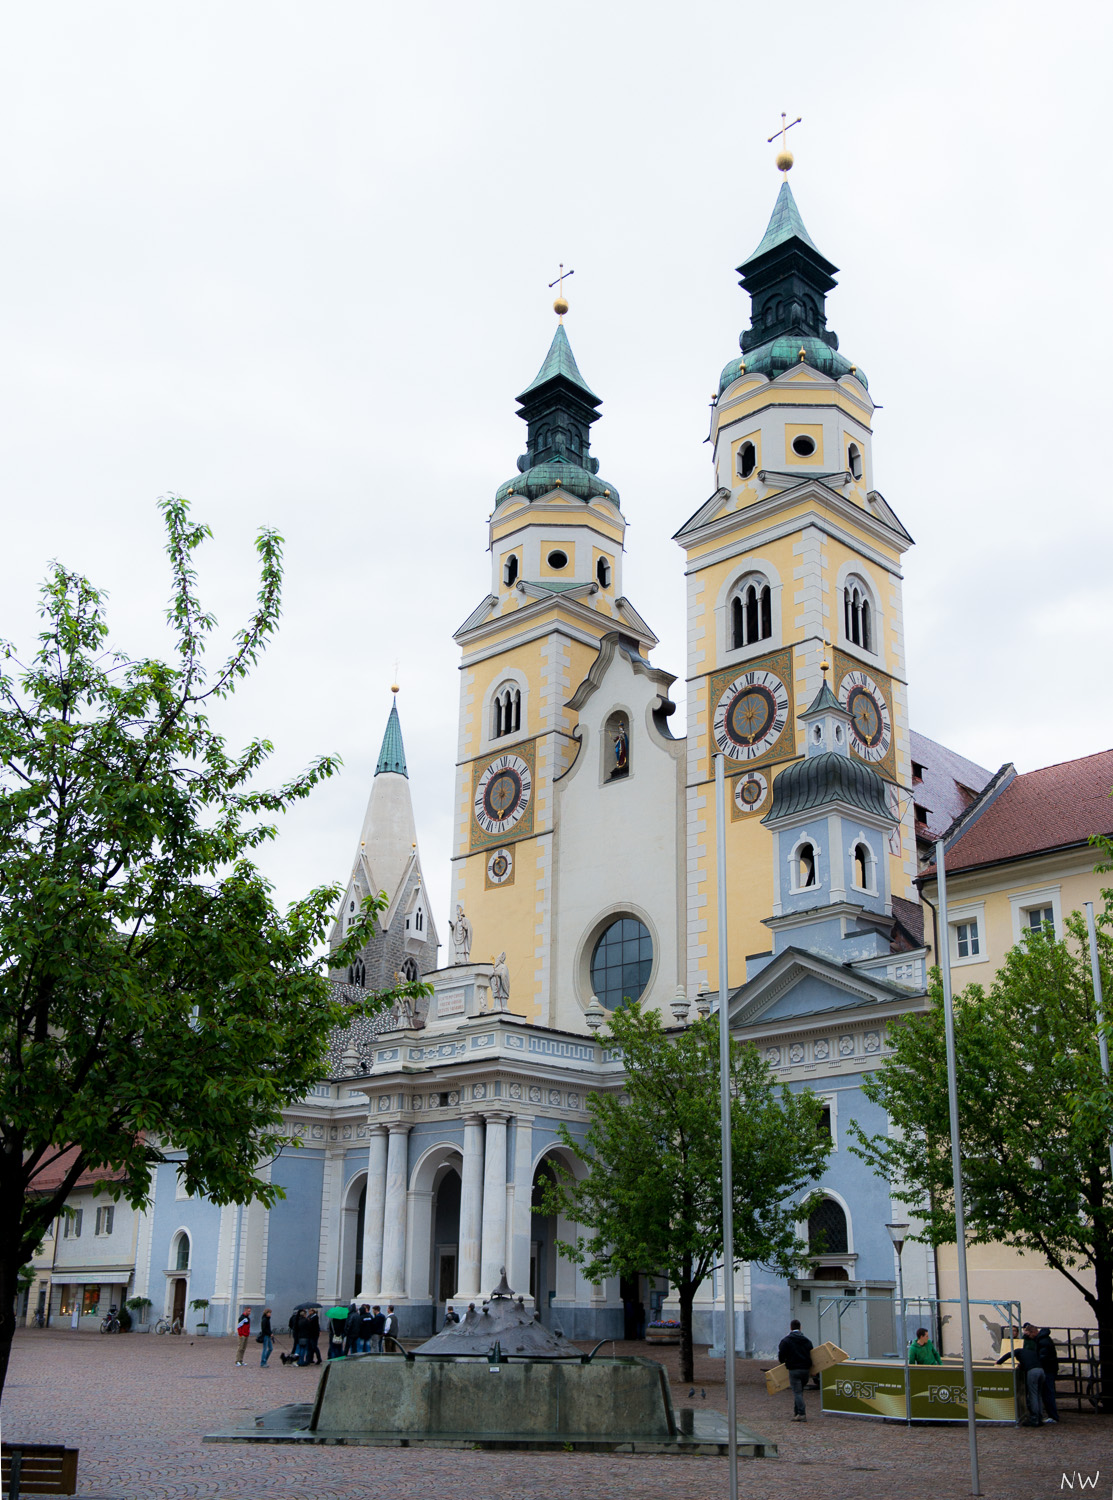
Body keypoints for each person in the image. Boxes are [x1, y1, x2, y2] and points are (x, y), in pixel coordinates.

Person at [997, 1321, 1053, 1424]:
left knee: (1032, 1395)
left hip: (1033, 1372)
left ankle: (1034, 1418)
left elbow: (1007, 1355)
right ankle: (1039, 1417)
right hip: (1041, 1370)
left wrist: (998, 1362)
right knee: (1038, 1394)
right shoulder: (1031, 1351)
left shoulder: (1018, 1351)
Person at [778, 1318, 814, 1422]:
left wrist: (783, 1363)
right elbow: (812, 1354)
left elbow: (781, 1355)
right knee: (799, 1392)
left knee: (797, 1392)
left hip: (794, 1370)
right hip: (805, 1370)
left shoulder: (786, 1341)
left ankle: (802, 1414)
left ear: (790, 1327)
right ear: (800, 1328)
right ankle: (797, 1413)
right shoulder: (807, 1340)